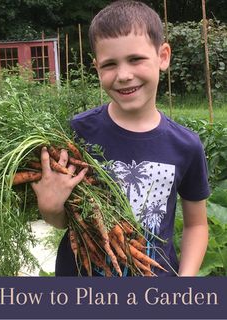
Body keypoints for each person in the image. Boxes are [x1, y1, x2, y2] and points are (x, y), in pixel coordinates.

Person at [32, 0, 210, 277]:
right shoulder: (76, 133)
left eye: (136, 59)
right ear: (97, 68)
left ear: (163, 56)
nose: (124, 75)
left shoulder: (186, 145)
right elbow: (65, 220)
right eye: (110, 64)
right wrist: (50, 207)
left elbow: (196, 225)